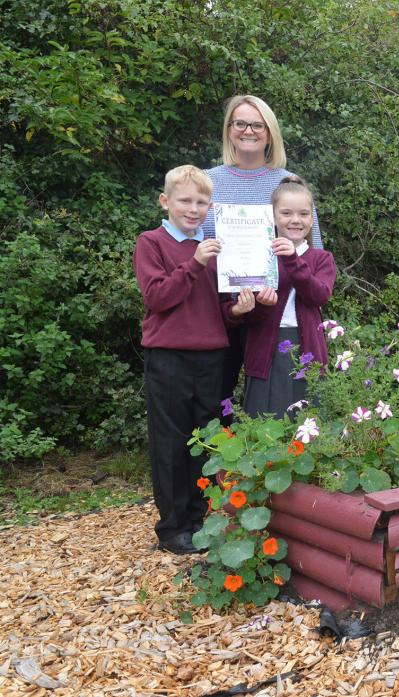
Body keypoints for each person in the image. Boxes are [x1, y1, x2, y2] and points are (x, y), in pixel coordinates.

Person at [134, 165, 258, 554]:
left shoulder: (216, 249)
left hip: (212, 356)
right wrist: (195, 262)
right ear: (165, 201)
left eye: (201, 202)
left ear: (211, 206)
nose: (193, 209)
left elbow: (219, 310)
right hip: (169, 355)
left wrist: (238, 310)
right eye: (185, 201)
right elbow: (157, 297)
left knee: (206, 442)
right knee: (170, 442)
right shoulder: (152, 242)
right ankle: (173, 528)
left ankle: (200, 518)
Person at [200, 95, 324, 419]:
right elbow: (194, 247)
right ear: (229, 130)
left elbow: (314, 250)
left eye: (257, 124)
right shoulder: (207, 182)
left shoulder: (288, 182)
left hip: (273, 309)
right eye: (240, 123)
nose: (248, 130)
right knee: (217, 398)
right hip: (223, 310)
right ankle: (216, 471)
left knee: (272, 400)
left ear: (269, 133)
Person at [240, 176, 336, 417]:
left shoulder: (322, 258)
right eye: (286, 213)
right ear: (272, 216)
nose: (295, 220)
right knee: (265, 420)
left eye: (304, 214)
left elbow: (319, 295)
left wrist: (292, 259)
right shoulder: (257, 255)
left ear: (312, 218)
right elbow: (251, 316)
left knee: (307, 422)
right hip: (266, 347)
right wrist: (258, 304)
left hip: (308, 346)